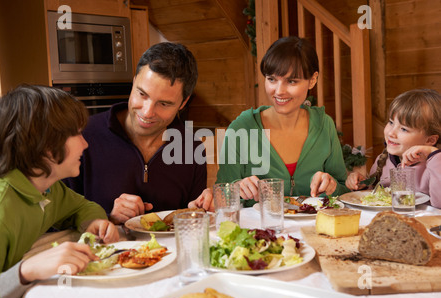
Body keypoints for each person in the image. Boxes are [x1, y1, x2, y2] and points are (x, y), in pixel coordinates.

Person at [0, 85, 119, 298]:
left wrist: (93, 222)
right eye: (77, 134)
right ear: (46, 146)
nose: (85, 144)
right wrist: (25, 270)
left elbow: (82, 206)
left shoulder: (48, 188)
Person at [190, 36, 349, 209]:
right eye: (272, 79)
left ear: (312, 79)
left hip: (315, 232)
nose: (279, 91)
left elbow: (343, 191)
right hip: (259, 233)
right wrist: (238, 188)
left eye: (292, 81)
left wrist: (332, 185)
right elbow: (220, 197)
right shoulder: (241, 128)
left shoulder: (324, 125)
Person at [65, 42, 207, 225]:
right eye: (142, 94)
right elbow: (56, 225)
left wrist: (203, 209)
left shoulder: (192, 148)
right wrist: (107, 218)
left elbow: (193, 223)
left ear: (183, 103)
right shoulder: (83, 136)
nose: (147, 112)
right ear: (134, 82)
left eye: (164, 104)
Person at [346, 88, 441, 208]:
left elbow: (439, 204)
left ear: (430, 140)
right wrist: (362, 185)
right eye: (391, 122)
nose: (391, 133)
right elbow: (374, 199)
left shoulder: (435, 165)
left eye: (404, 129)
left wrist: (434, 154)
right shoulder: (383, 160)